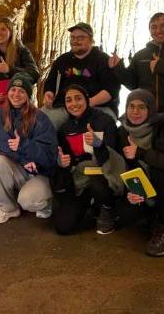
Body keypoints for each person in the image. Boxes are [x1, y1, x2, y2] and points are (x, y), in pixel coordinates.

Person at [115, 89, 164, 256]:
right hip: (142, 188)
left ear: (150, 109)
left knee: (161, 170)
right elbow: (123, 167)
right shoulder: (123, 131)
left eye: (141, 107)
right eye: (131, 106)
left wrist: (142, 153)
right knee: (125, 215)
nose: (135, 112)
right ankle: (151, 218)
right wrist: (131, 191)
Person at [108, 13, 164, 139]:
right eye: (154, 27)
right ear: (150, 30)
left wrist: (162, 68)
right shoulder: (140, 55)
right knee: (118, 138)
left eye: (163, 26)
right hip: (143, 113)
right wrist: (118, 68)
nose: (158, 30)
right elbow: (133, 84)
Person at [52, 85, 124, 235]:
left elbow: (113, 159)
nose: (74, 104)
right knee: (63, 226)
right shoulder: (64, 129)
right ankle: (91, 209)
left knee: (97, 181)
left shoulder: (105, 121)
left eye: (78, 98)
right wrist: (62, 162)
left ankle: (106, 208)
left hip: (104, 178)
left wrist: (98, 143)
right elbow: (66, 161)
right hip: (80, 181)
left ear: (86, 99)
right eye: (68, 100)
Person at [0, 73, 57, 224]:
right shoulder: (1, 114)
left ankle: (45, 201)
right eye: (13, 89)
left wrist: (25, 146)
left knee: (28, 201)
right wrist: (23, 158)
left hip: (39, 172)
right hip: (20, 167)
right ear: (8, 92)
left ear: (28, 95)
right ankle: (8, 207)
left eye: (22, 91)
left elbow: (50, 155)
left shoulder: (40, 118)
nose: (16, 94)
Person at [42, 22, 120, 129]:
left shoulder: (103, 60)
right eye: (72, 37)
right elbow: (50, 82)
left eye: (80, 38)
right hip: (65, 106)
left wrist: (85, 104)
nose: (75, 41)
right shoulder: (62, 60)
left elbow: (111, 90)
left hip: (98, 106)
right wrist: (48, 94)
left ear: (91, 40)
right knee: (41, 123)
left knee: (98, 130)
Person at [0, 17, 39, 109]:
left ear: (10, 32)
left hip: (18, 105)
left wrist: (9, 70)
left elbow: (34, 74)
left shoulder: (22, 52)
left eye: (3, 29)